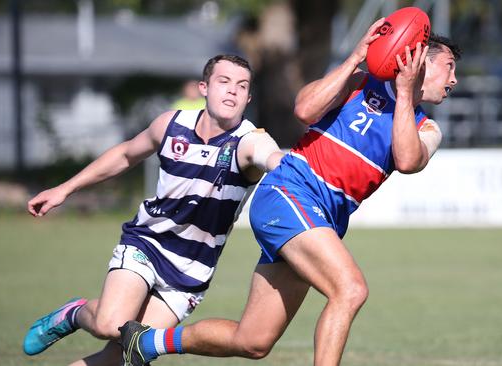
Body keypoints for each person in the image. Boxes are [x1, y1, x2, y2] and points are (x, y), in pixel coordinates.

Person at [120, 18, 461, 366]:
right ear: (419, 58)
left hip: (317, 218)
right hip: (289, 192)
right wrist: (356, 57)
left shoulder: (427, 127)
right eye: (449, 66)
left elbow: (407, 159)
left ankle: (147, 344)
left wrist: (405, 93)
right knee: (350, 290)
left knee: (253, 341)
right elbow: (304, 109)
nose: (454, 79)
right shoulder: (358, 82)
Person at [22, 54, 284, 366]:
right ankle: (75, 313)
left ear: (248, 97)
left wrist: (284, 164)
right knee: (110, 325)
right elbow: (124, 154)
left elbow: (270, 156)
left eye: (241, 86)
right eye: (223, 82)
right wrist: (64, 189)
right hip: (148, 243)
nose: (232, 91)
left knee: (124, 355)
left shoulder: (249, 140)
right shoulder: (171, 125)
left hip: (191, 270)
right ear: (204, 87)